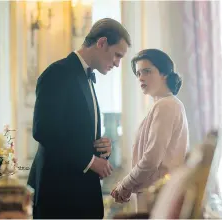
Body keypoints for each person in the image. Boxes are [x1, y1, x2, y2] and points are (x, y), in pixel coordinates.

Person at [28, 18, 131, 219]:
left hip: (80, 195)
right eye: (117, 55)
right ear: (101, 43)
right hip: (59, 195)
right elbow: (43, 130)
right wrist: (90, 160)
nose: (118, 64)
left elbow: (74, 131)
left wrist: (101, 147)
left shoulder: (86, 77)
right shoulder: (57, 73)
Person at [111, 49, 189, 213]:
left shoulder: (166, 105)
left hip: (157, 195)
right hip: (156, 193)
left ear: (164, 74)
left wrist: (125, 185)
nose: (140, 77)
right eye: (138, 73)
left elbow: (151, 159)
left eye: (147, 71)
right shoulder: (162, 104)